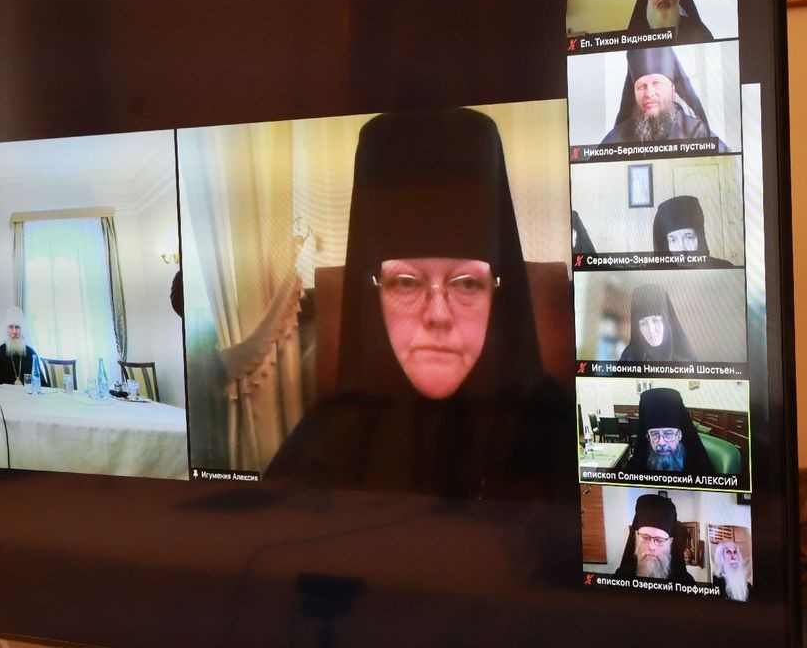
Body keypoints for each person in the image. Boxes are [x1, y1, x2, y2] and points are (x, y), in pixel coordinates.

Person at [264, 108, 572, 502]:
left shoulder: (553, 428)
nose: (438, 315)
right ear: (374, 296)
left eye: (467, 283)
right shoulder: (328, 438)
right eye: (406, 282)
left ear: (497, 292)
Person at [600, 47, 726, 149]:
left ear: (672, 88)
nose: (649, 93)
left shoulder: (697, 133)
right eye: (641, 87)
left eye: (656, 83)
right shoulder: (615, 139)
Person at [625, 387, 715, 475]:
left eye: (668, 434)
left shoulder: (696, 464)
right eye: (655, 434)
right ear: (647, 437)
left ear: (679, 435)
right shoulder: (641, 458)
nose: (661, 443)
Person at [615, 493, 696, 584]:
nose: (651, 547)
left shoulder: (686, 583)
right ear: (636, 537)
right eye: (645, 537)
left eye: (659, 540)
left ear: (670, 543)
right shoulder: (620, 578)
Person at [619, 284, 698, 362]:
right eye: (643, 323)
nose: (651, 330)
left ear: (667, 322)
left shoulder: (687, 361)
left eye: (655, 320)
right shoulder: (628, 357)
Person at [652, 195, 733, 266]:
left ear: (700, 237)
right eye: (673, 240)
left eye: (688, 237)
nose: (681, 249)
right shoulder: (657, 274)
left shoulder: (724, 268)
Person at [0, 306, 45, 386]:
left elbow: (41, 382)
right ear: (7, 330)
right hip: (7, 393)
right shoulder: (0, 352)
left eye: (17, 327)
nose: (14, 331)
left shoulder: (31, 353)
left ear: (22, 330)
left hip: (27, 393)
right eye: (11, 327)